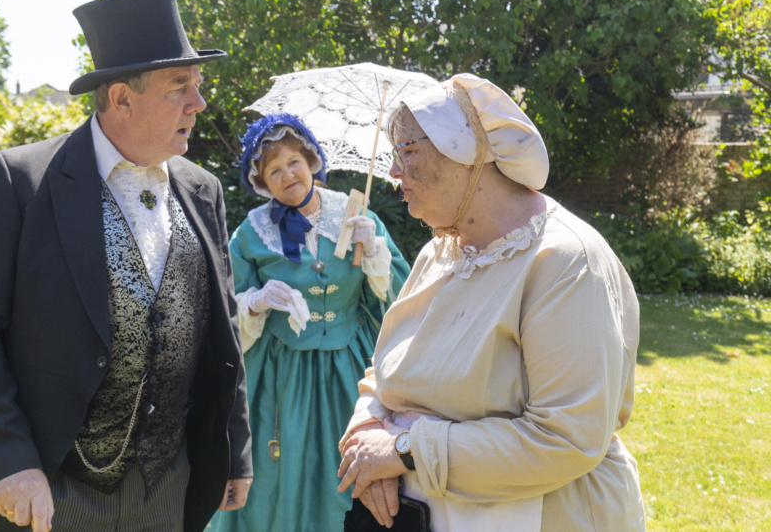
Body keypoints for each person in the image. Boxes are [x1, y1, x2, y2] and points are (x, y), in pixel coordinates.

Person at [0, 0, 253, 532]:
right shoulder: (22, 182)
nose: (198, 103)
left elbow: (222, 328)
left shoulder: (203, 189)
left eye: (197, 85)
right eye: (180, 86)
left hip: (170, 486)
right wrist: (9, 461)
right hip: (56, 488)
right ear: (121, 98)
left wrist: (234, 446)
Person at [336, 74, 646, 531]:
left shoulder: (564, 261)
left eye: (406, 151)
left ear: (465, 154)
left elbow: (565, 439)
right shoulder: (438, 252)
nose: (393, 172)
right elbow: (384, 373)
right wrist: (367, 436)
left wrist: (405, 452)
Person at [209, 113, 411, 532]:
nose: (287, 175)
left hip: (351, 372)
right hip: (282, 376)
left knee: (354, 469)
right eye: (274, 170)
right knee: (278, 478)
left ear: (312, 161)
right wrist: (257, 301)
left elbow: (400, 295)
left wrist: (373, 249)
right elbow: (224, 310)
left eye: (293, 162)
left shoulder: (356, 212)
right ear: (262, 181)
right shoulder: (252, 232)